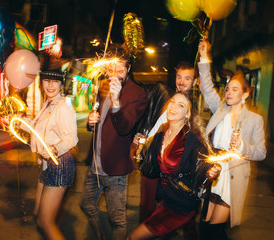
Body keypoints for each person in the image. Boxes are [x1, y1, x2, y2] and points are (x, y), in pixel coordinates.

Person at [197, 39, 266, 240]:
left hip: (232, 175)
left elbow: (261, 153)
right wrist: (204, 56)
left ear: (245, 94)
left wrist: (243, 146)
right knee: (204, 224)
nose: (228, 92)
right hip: (213, 171)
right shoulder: (220, 108)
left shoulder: (254, 120)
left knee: (215, 230)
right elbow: (207, 86)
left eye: (235, 89)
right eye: (228, 88)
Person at [129, 92, 221, 240]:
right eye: (172, 102)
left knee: (134, 237)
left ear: (187, 113)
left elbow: (203, 165)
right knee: (190, 233)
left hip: (181, 202)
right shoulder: (160, 136)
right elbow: (150, 169)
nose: (173, 107)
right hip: (165, 197)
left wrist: (211, 172)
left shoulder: (193, 140)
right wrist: (140, 147)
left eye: (181, 105)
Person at [80, 43, 148, 240]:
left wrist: (117, 101)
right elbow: (99, 123)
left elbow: (125, 127)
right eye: (110, 69)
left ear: (128, 69)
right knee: (86, 204)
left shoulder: (137, 93)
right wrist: (91, 123)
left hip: (116, 168)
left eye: (120, 69)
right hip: (96, 164)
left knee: (117, 219)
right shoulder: (102, 88)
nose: (114, 74)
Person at [133, 61, 199, 239]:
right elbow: (161, 131)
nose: (182, 81)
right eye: (179, 76)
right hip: (160, 170)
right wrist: (145, 141)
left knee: (162, 216)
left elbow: (193, 148)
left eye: (187, 78)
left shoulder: (191, 107)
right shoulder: (170, 101)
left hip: (175, 182)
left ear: (195, 81)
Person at [13, 63, 78, 240]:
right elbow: (35, 127)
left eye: (54, 82)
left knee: (46, 221)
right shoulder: (48, 104)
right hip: (46, 165)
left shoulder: (63, 108)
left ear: (61, 84)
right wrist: (16, 120)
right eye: (46, 81)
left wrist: (54, 149)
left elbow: (72, 138)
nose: (50, 85)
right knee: (38, 215)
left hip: (60, 165)